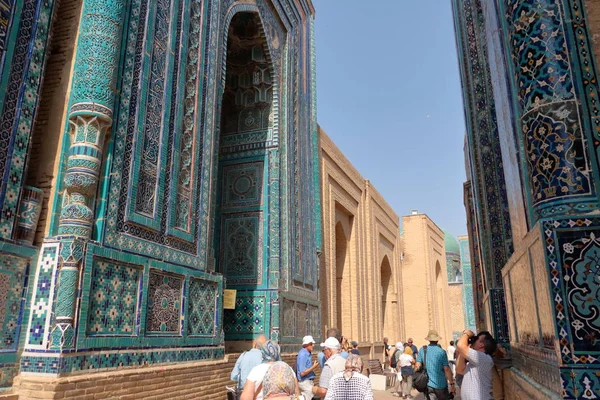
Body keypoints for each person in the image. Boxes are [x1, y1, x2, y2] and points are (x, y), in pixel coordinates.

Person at [456, 329, 497, 400]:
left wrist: (467, 334)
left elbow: (460, 345)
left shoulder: (483, 358)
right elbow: (459, 370)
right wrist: (465, 349)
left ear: (481, 345)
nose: (474, 340)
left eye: (477, 339)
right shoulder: (476, 361)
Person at [414, 330, 455, 400]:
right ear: (437, 340)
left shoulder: (423, 350)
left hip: (428, 384)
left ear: (429, 340)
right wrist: (452, 384)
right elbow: (446, 369)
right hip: (441, 384)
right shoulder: (442, 352)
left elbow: (417, 366)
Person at [296, 335, 319, 400]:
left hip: (308, 381)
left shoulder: (307, 353)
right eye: (311, 344)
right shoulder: (303, 355)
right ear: (307, 344)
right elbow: (302, 373)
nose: (313, 346)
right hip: (305, 382)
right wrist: (313, 367)